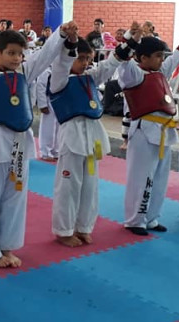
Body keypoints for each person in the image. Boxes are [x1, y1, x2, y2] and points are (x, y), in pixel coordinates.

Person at [0, 22, 78, 268]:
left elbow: (45, 56)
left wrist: (61, 34)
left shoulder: (25, 72)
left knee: (16, 197)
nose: (16, 58)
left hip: (20, 143)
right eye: (11, 53)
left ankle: (7, 246)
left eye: (20, 53)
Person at [49, 38, 126, 246]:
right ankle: (64, 230)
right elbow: (62, 64)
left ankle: (84, 227)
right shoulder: (59, 80)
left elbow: (110, 64)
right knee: (68, 186)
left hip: (92, 135)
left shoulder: (90, 77)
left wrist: (130, 38)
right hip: (72, 136)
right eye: (80, 58)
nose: (85, 63)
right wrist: (69, 43)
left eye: (88, 59)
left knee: (90, 186)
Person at [119, 31, 179, 236]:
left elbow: (175, 58)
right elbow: (123, 61)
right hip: (144, 132)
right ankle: (135, 220)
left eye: (162, 56)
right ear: (143, 58)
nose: (162, 60)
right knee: (141, 178)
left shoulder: (159, 72)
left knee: (159, 179)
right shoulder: (134, 75)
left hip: (164, 131)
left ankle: (151, 218)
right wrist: (131, 39)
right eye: (158, 56)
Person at [36, 68, 59, 161]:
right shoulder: (47, 69)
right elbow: (40, 85)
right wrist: (42, 104)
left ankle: (56, 151)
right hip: (49, 100)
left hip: (60, 99)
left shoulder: (64, 66)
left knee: (59, 127)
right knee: (48, 127)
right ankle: (45, 152)